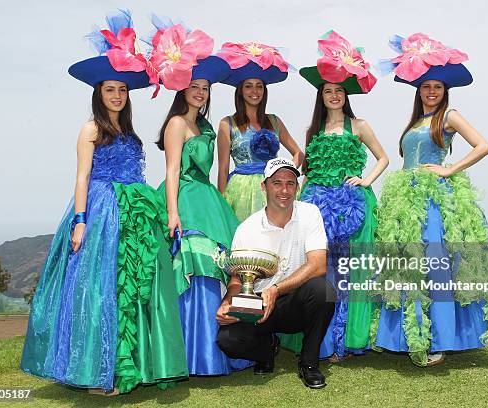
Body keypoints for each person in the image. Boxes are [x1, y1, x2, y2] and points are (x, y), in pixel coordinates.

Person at [20, 11, 188, 395]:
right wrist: (80, 220)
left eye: (122, 90)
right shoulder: (90, 128)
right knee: (97, 289)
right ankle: (94, 371)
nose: (116, 95)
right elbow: (82, 176)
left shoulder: (128, 131)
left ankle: (133, 365)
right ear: (98, 93)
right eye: (110, 89)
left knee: (132, 288)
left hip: (134, 210)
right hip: (99, 210)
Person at [372, 33, 488, 366]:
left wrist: (449, 170)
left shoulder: (449, 116)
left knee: (437, 267)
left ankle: (441, 339)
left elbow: (483, 145)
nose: (432, 92)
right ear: (418, 91)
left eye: (437, 87)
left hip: (434, 201)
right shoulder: (416, 122)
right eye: (426, 87)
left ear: (444, 91)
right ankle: (410, 335)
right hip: (406, 201)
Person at [148, 21, 251, 375]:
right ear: (182, 88)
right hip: (183, 200)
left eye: (205, 88)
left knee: (219, 268)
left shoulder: (207, 128)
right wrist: (172, 213)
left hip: (208, 198)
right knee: (190, 266)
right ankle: (190, 356)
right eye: (194, 86)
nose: (201, 92)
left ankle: (215, 351)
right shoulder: (176, 124)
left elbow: (218, 167)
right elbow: (172, 170)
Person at [287, 30, 389, 362]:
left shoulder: (359, 125)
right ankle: (324, 342)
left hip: (353, 205)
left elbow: (384, 158)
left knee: (354, 271)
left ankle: (350, 338)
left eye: (339, 91)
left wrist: (364, 179)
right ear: (321, 96)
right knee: (322, 272)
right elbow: (306, 167)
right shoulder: (312, 131)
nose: (334, 96)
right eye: (328, 91)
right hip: (318, 205)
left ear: (346, 95)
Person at [216, 158, 336, 389]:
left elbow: (319, 265)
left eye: (291, 183)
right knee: (227, 339)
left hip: (294, 302)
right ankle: (266, 351)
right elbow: (236, 278)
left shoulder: (310, 213)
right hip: (257, 306)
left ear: (297, 187)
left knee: (323, 291)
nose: (284, 190)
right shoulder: (246, 228)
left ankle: (309, 363)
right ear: (264, 186)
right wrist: (228, 304)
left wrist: (276, 289)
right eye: (277, 183)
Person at [216, 41, 304, 221]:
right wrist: (221, 204)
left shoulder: (274, 121)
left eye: (259, 86)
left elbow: (298, 153)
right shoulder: (228, 124)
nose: (254, 91)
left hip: (273, 188)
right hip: (240, 192)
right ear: (240, 91)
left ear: (265, 90)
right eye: (248, 86)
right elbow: (223, 169)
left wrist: (284, 172)